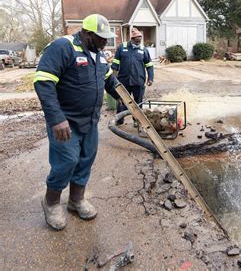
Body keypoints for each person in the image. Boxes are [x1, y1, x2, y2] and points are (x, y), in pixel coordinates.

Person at [34, 14, 120, 230]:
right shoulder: (64, 47)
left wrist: (127, 98)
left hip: (90, 121)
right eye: (101, 38)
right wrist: (56, 118)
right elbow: (43, 82)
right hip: (66, 122)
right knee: (66, 162)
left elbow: (110, 80)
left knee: (85, 160)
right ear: (87, 34)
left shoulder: (99, 56)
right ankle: (52, 202)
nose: (105, 42)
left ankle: (76, 200)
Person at [112, 27, 154, 125]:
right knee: (122, 100)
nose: (138, 43)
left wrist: (150, 78)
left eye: (140, 41)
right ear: (132, 39)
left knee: (138, 102)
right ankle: (120, 120)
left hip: (138, 80)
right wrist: (114, 80)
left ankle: (137, 121)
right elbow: (115, 65)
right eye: (137, 41)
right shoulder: (122, 48)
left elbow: (149, 65)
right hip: (123, 80)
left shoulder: (143, 50)